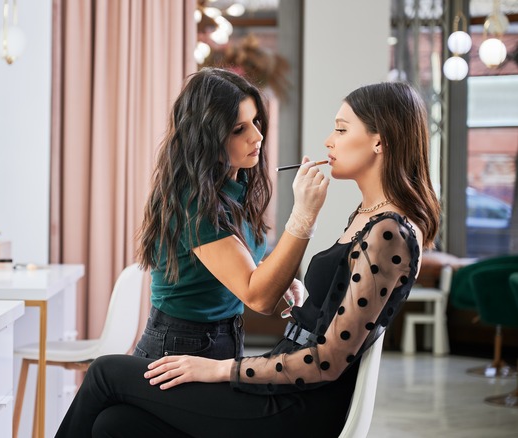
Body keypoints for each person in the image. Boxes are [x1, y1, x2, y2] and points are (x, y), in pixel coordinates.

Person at [56, 81, 440, 437]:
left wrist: (221, 369)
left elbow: (328, 359)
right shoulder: (368, 217)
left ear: (379, 142)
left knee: (105, 372)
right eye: (240, 128)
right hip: (276, 376)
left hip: (299, 402)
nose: (328, 141)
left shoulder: (387, 231)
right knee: (114, 424)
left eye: (341, 130)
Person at [133, 67, 328, 361]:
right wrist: (303, 216)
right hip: (179, 347)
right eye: (240, 130)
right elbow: (258, 297)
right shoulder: (194, 202)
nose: (258, 136)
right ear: (206, 139)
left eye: (256, 121)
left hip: (221, 337)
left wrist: (277, 276)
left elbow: (231, 258)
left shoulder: (235, 183)